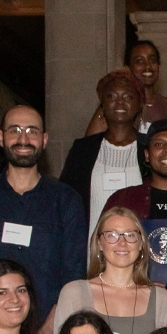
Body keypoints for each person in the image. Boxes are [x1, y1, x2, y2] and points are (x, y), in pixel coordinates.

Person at [0, 104, 87, 320]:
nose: (23, 139)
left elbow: (73, 278)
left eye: (32, 131)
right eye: (15, 131)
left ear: (44, 139)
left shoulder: (66, 201)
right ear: (1, 138)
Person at [54, 208, 167, 334]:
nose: (122, 243)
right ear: (99, 243)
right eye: (112, 235)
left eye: (130, 235)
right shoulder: (74, 292)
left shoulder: (161, 299)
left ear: (141, 244)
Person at [60, 69, 148, 235]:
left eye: (128, 97)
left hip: (139, 250)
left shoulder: (149, 148)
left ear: (139, 105)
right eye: (111, 97)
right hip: (91, 252)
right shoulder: (83, 150)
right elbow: (65, 201)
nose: (120, 102)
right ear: (102, 104)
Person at [83, 41, 167, 135]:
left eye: (152, 60)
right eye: (139, 61)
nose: (147, 66)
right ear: (128, 67)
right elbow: (89, 146)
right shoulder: (115, 104)